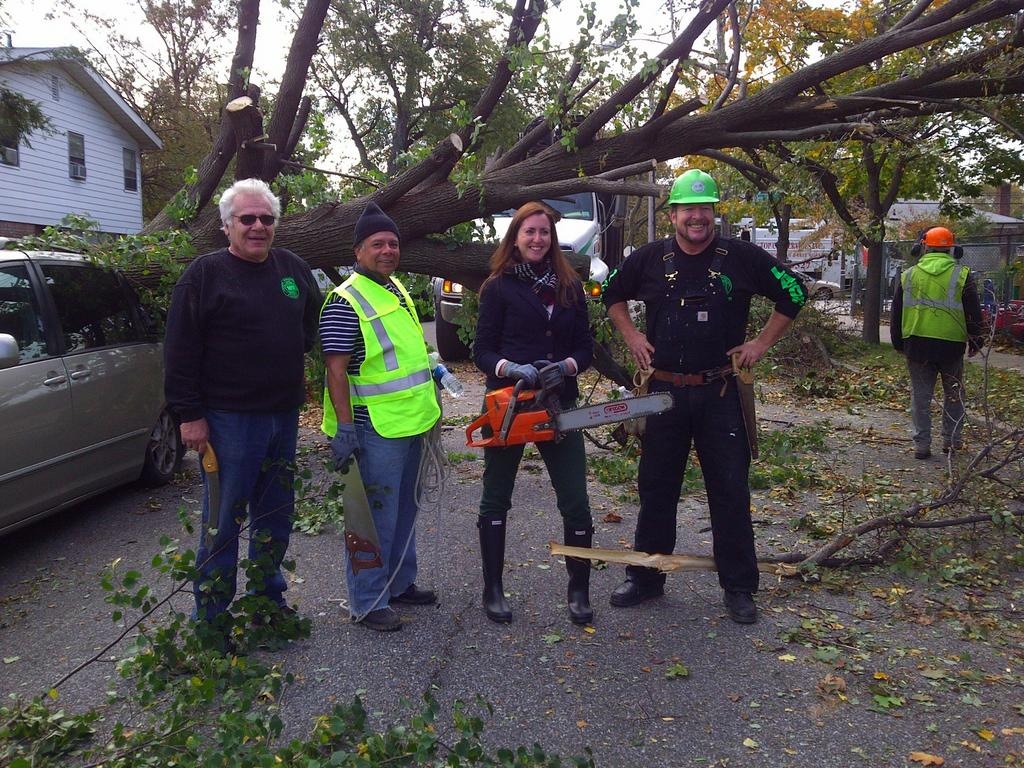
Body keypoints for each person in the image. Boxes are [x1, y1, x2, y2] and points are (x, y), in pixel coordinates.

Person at [601, 169, 807, 624]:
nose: (697, 217)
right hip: (664, 394)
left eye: (705, 208)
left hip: (720, 392)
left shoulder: (742, 257)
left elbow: (795, 293)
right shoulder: (650, 258)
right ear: (673, 213)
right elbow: (609, 293)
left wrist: (760, 344)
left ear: (715, 212)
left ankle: (739, 587)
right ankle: (647, 577)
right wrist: (632, 335)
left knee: (730, 490)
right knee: (656, 488)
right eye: (688, 209)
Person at [164, 178, 321, 627]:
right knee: (223, 521)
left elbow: (308, 324)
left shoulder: (293, 270)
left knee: (275, 514)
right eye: (247, 219)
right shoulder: (204, 275)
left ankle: (265, 602)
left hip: (283, 416)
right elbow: (179, 350)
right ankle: (211, 619)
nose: (258, 226)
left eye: (266, 219)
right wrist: (189, 416)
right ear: (227, 225)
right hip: (228, 421)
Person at [320, 202, 441, 632]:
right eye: (377, 244)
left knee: (405, 510)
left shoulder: (396, 289)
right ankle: (369, 602)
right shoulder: (344, 301)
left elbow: (406, 350)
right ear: (358, 251)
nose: (388, 250)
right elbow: (335, 369)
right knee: (373, 518)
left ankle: (400, 583)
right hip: (374, 429)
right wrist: (346, 428)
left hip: (412, 421)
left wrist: (435, 367)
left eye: (392, 243)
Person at [473, 201, 596, 625]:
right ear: (516, 237)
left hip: (559, 405)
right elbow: (481, 351)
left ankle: (578, 589)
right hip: (509, 405)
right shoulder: (497, 287)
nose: (537, 239)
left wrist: (566, 366)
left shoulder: (570, 286)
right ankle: (493, 587)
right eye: (530, 232)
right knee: (495, 497)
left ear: (552, 238)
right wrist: (510, 369)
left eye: (544, 232)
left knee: (576, 501)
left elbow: (585, 347)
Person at [890, 226, 984, 459]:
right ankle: (952, 442)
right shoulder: (962, 275)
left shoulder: (909, 275)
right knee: (953, 395)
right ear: (953, 249)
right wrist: (976, 341)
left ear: (923, 246)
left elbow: (897, 312)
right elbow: (973, 312)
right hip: (951, 346)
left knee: (920, 397)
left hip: (917, 344)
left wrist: (898, 343)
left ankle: (922, 445)